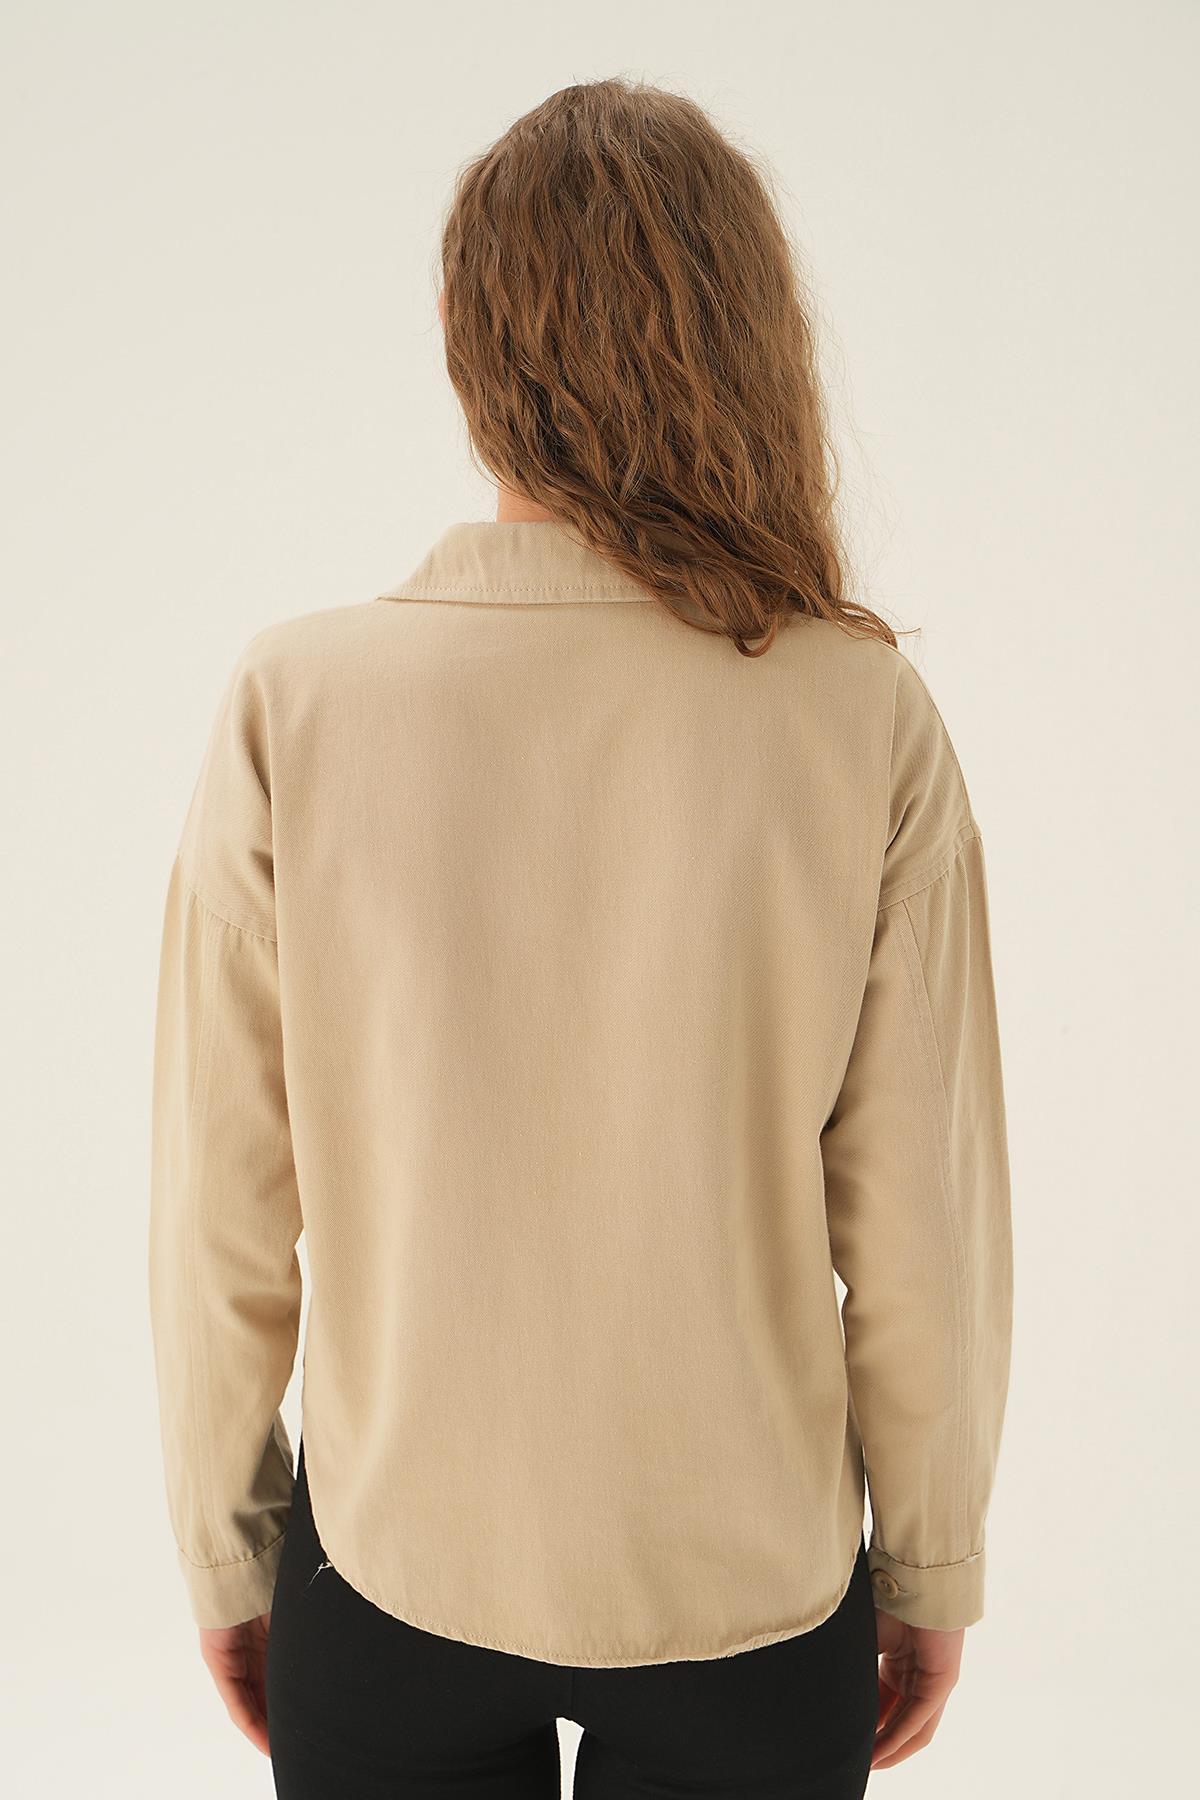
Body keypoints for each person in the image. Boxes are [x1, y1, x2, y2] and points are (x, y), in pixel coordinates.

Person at [148, 78, 1013, 1799]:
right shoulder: (857, 712)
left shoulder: (297, 701)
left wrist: (228, 1547)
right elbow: (924, 1223)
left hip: (385, 1566)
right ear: (749, 335)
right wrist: (930, 1560)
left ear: (466, 337)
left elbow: (220, 1203)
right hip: (752, 1586)